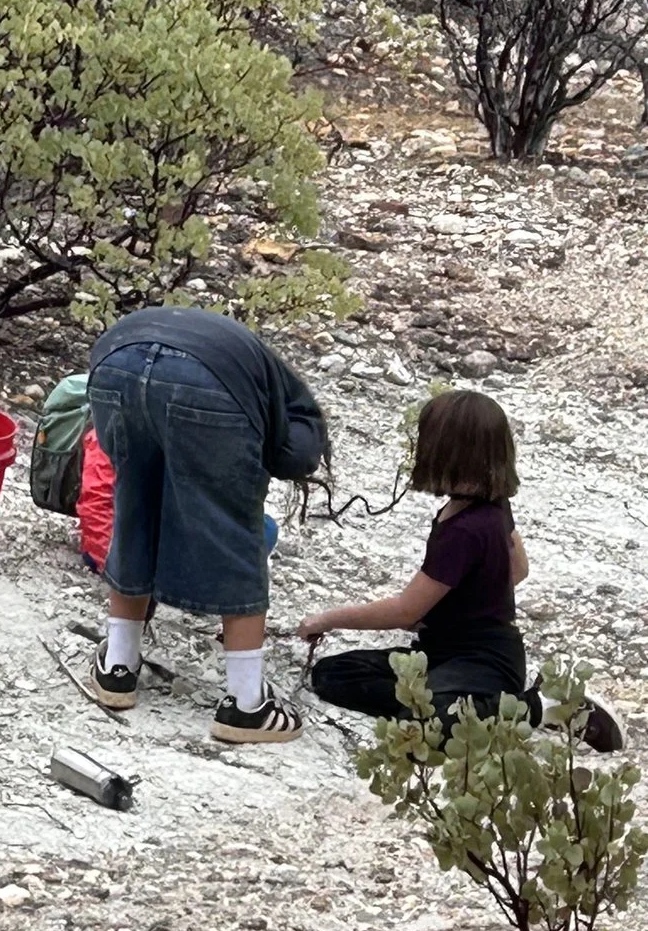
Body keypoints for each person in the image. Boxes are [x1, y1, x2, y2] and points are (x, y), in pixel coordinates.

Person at [300, 390, 624, 751]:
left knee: (426, 725)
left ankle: (540, 706)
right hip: (443, 651)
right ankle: (479, 708)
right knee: (334, 675)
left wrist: (327, 620)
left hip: (485, 659)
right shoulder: (492, 504)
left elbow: (406, 610)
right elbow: (519, 569)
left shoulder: (464, 530)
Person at [85, 307, 325, 743]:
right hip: (205, 383)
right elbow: (295, 455)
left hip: (115, 360)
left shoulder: (260, 365)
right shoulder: (288, 402)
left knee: (134, 504)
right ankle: (247, 704)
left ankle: (117, 669)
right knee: (235, 529)